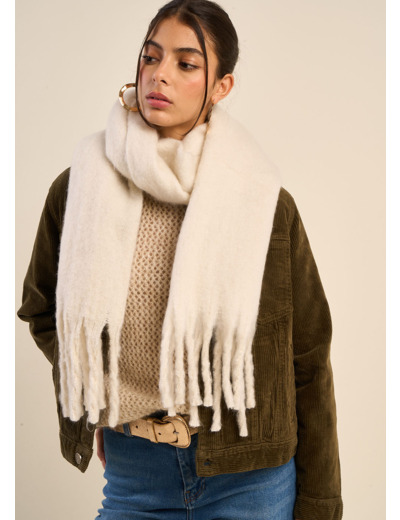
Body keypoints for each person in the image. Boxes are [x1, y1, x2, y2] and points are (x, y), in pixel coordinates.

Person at [17, 1, 343, 519]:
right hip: (135, 473)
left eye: (186, 64)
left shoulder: (263, 203)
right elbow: (41, 309)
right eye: (151, 57)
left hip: (250, 479)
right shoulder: (80, 187)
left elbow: (308, 356)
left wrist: (321, 505)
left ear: (221, 86)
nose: (160, 74)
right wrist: (98, 384)